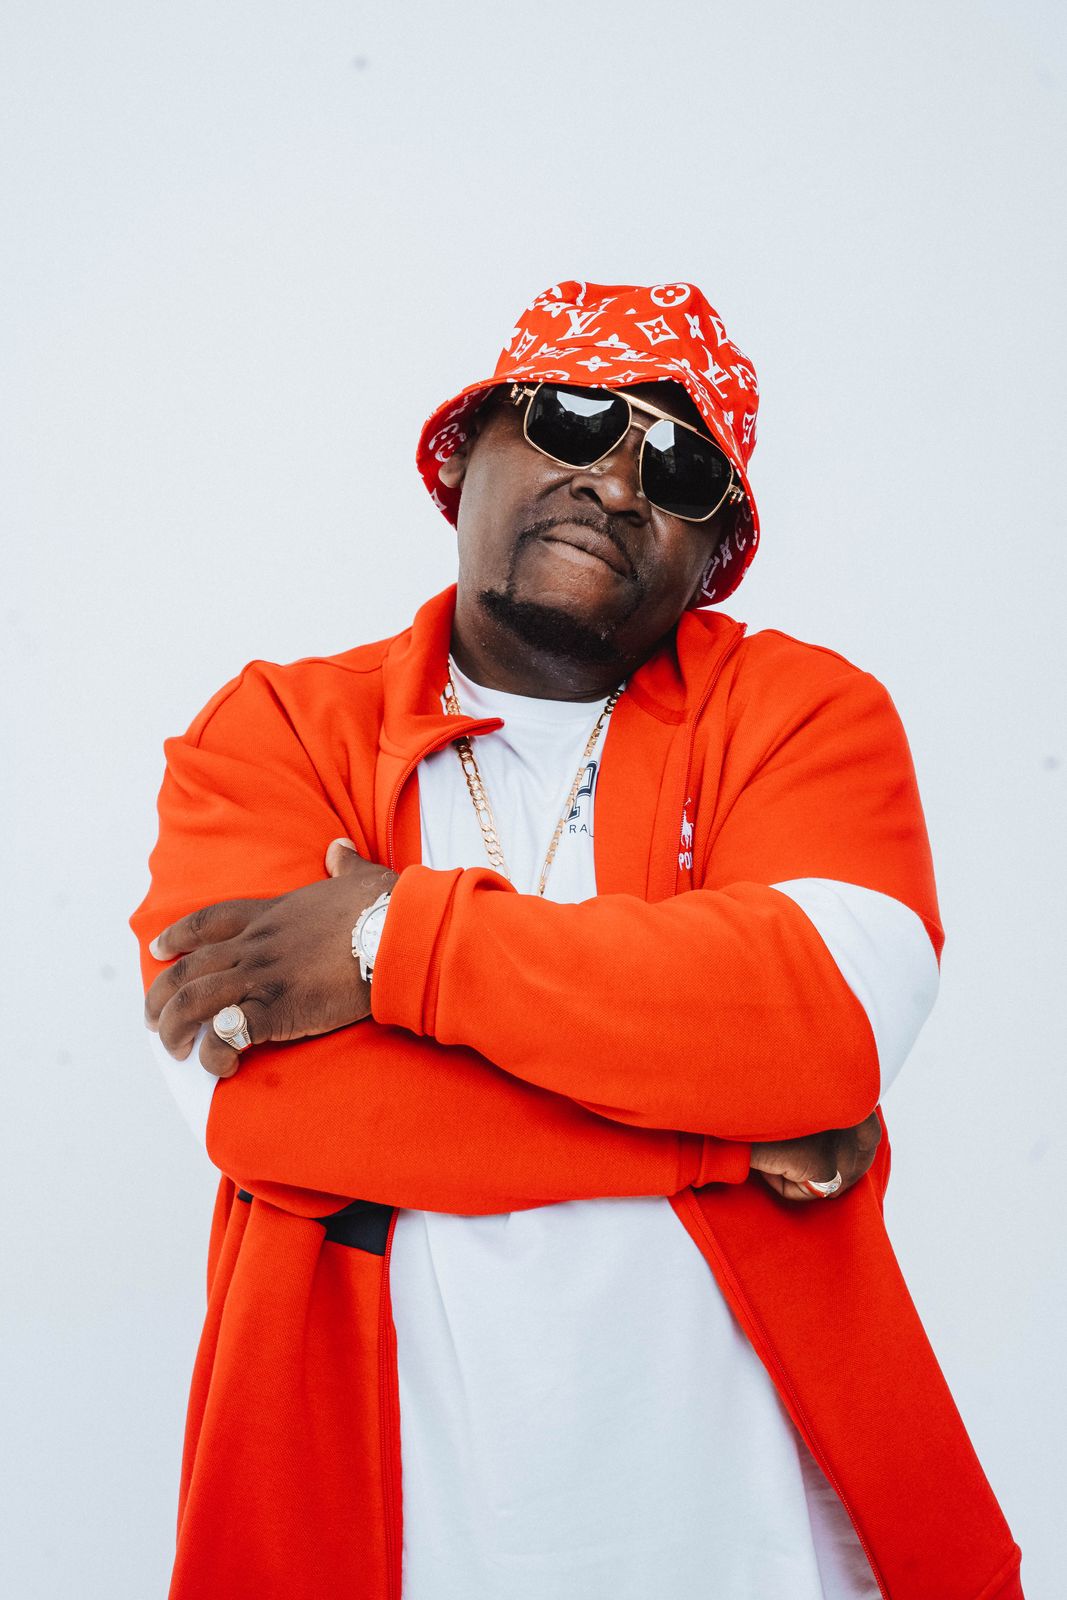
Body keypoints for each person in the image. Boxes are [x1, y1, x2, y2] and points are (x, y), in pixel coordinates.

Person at [132, 280, 1023, 1600]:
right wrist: (724, 1133)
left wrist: (386, 936)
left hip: (762, 1546)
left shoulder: (802, 715)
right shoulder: (278, 733)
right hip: (386, 1539)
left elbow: (817, 1026)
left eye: (679, 469)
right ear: (463, 455)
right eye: (573, 420)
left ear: (711, 555)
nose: (614, 483)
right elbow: (269, 1106)